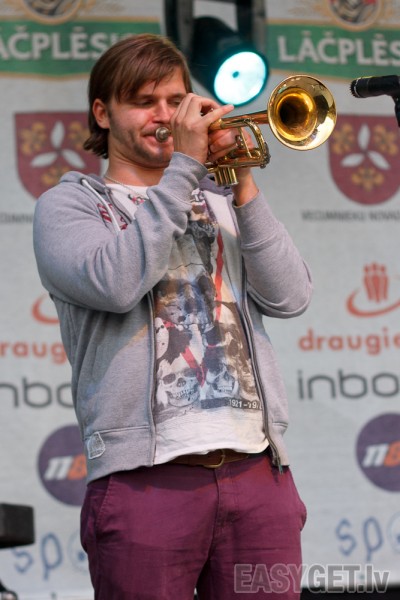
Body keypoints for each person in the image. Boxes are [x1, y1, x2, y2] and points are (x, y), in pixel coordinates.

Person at [33, 33, 312, 600]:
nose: (165, 116)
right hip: (146, 481)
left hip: (256, 473)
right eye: (144, 102)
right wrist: (186, 165)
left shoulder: (220, 198)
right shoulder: (70, 205)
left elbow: (290, 297)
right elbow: (115, 284)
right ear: (102, 113)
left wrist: (243, 182)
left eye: (176, 101)